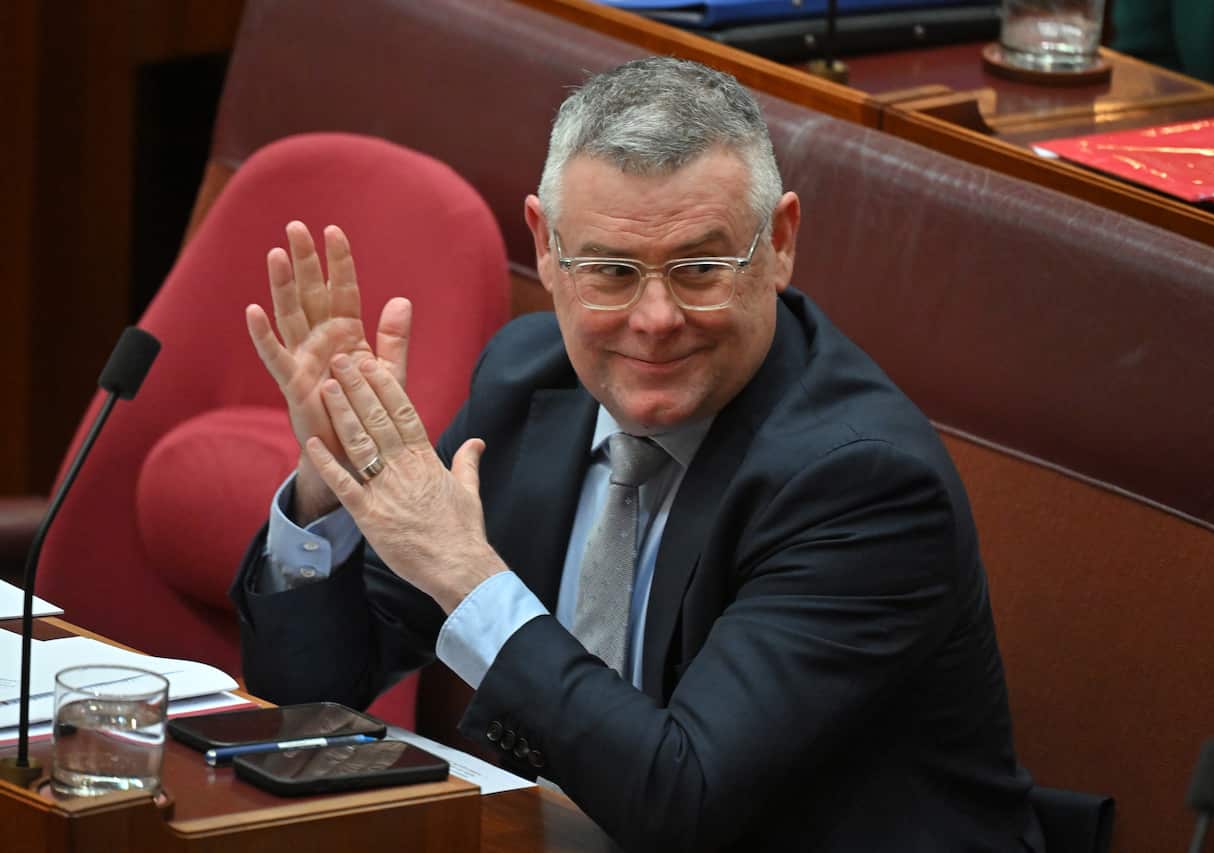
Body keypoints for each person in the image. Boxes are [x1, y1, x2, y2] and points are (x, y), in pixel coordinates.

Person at [232, 56, 1042, 852]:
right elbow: (307, 694)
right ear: (546, 248)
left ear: (779, 242)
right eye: (612, 271)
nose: (655, 319)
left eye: (700, 268)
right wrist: (329, 487)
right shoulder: (526, 382)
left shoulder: (863, 483)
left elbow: (680, 801)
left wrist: (466, 576)